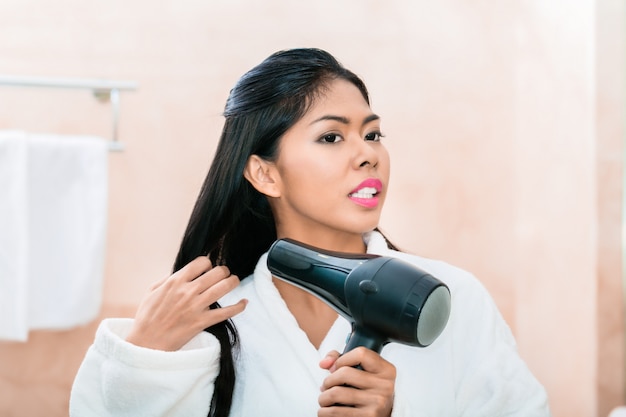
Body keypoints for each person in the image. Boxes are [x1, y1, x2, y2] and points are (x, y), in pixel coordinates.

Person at [69, 48, 551, 417]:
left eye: (373, 133)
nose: (368, 155)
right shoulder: (212, 324)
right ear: (264, 174)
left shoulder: (453, 299)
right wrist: (145, 358)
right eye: (331, 136)